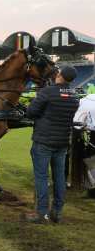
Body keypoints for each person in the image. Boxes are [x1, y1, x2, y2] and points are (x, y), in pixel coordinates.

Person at [24, 66, 79, 224]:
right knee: (60, 178)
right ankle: (57, 212)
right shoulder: (74, 96)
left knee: (41, 177)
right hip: (62, 142)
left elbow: (31, 113)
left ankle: (42, 213)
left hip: (43, 141)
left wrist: (35, 102)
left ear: (60, 76)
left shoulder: (47, 92)